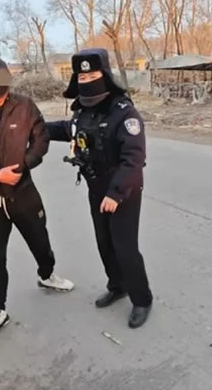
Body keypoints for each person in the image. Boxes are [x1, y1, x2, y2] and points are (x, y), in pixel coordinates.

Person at [0, 55, 74, 344]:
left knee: (40, 239)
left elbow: (41, 139)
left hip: (24, 191)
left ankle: (47, 274)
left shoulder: (24, 105)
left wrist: (24, 166)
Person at [46, 48, 153, 329]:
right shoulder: (82, 111)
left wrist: (115, 193)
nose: (87, 80)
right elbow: (69, 130)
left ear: (104, 75)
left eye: (92, 75)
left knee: (125, 247)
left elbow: (134, 159)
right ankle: (117, 286)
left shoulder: (123, 112)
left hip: (123, 190)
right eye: (82, 76)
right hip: (96, 186)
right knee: (104, 242)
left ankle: (142, 299)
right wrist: (37, 128)